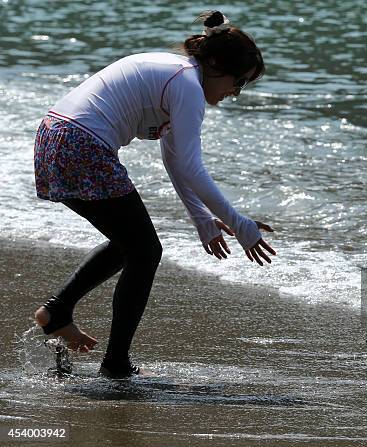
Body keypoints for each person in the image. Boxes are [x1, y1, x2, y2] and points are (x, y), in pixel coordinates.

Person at [33, 10, 275, 378]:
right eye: (237, 82)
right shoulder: (187, 84)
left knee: (131, 243)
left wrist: (203, 220)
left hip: (55, 136)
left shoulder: (179, 75)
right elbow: (190, 167)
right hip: (82, 144)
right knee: (145, 250)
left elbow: (177, 160)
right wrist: (238, 224)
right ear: (212, 63)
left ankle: (59, 311)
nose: (234, 93)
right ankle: (114, 362)